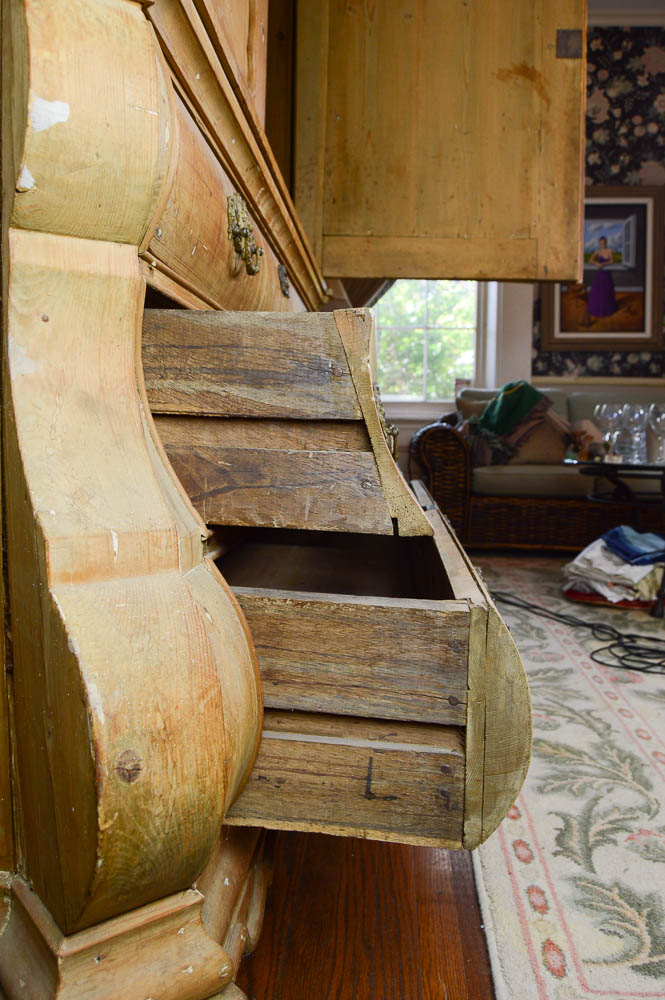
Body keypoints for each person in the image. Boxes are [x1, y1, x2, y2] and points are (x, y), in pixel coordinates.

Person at [587, 235, 618, 318]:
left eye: (604, 243)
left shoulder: (609, 250)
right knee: (597, 291)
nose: (603, 245)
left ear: (606, 243)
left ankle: (608, 309)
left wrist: (603, 264)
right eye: (601, 243)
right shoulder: (598, 251)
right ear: (600, 243)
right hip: (599, 273)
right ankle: (596, 309)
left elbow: (612, 261)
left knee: (607, 291)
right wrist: (597, 263)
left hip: (607, 273)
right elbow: (590, 260)